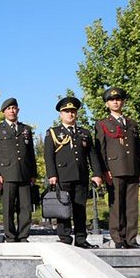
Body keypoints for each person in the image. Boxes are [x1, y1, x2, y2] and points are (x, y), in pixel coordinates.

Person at [44, 96, 103, 249]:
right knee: (63, 209)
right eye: (67, 111)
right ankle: (64, 238)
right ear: (61, 114)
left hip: (81, 176)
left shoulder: (84, 132)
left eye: (73, 111)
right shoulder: (53, 133)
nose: (70, 114)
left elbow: (92, 155)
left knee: (80, 209)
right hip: (62, 176)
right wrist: (52, 175)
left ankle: (81, 239)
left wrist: (97, 173)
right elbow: (48, 156)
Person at [95, 87, 140, 249]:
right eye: (111, 100)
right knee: (116, 206)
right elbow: (100, 149)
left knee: (132, 207)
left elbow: (138, 149)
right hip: (114, 169)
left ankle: (131, 239)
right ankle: (118, 239)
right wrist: (104, 171)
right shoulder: (102, 124)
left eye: (118, 99)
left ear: (123, 101)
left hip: (132, 168)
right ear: (107, 104)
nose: (115, 102)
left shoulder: (131, 123)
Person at [0, 98, 37, 243]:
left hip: (24, 174)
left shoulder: (26, 129)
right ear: (3, 112)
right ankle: (10, 236)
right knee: (8, 208)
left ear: (18, 110)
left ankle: (23, 236)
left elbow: (31, 153)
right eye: (8, 109)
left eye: (14, 108)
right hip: (7, 174)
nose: (12, 111)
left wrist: (34, 173)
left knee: (26, 208)